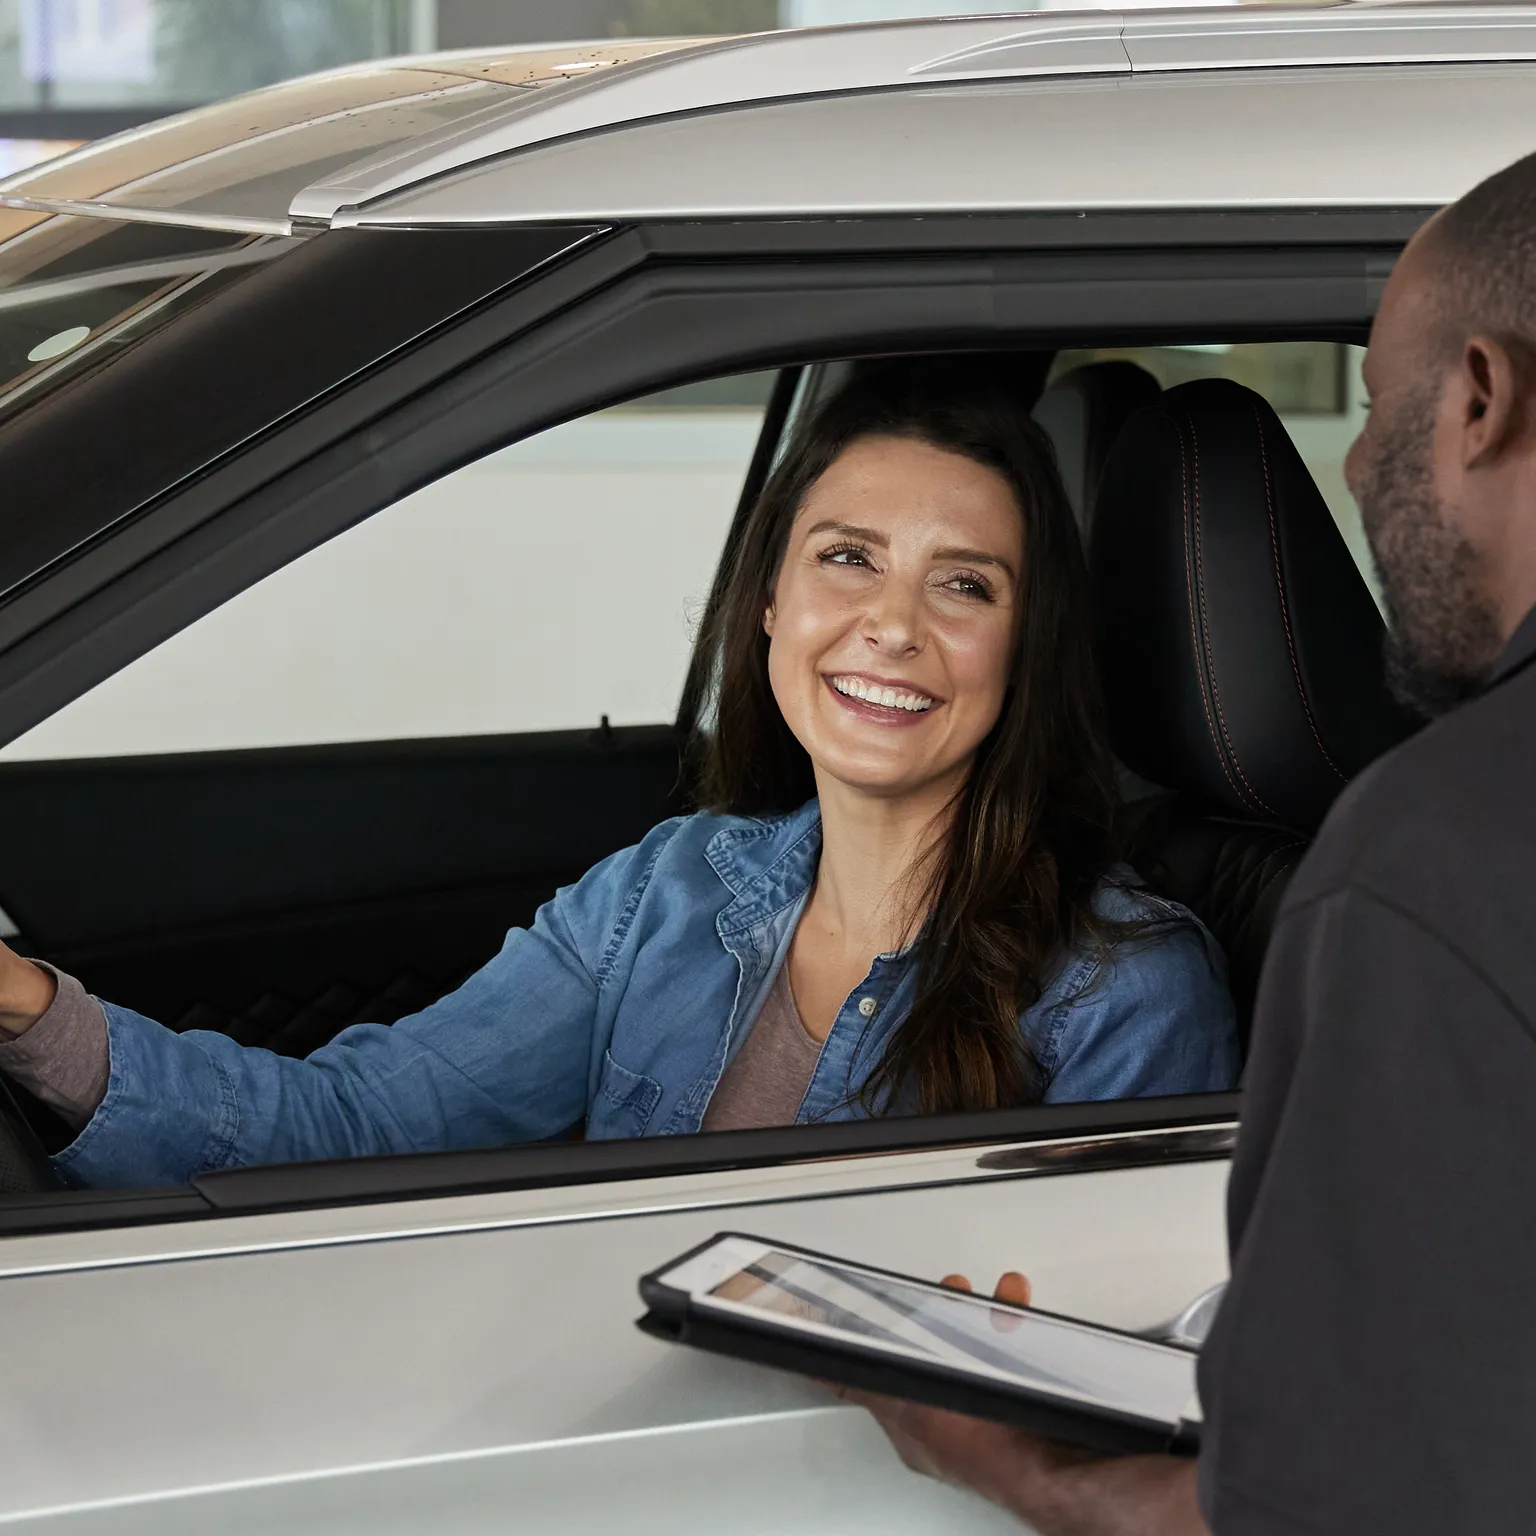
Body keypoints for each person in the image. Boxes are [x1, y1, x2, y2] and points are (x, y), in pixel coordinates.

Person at [0, 363, 1237, 1191]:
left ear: (1024, 650)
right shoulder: (671, 891)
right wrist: (25, 1008)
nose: (892, 625)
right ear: (772, 602)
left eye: (964, 584)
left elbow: (1082, 1371)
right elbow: (362, 1128)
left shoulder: (1128, 991)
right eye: (848, 559)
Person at [831, 150, 1536, 1535]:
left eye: (1378, 404)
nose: (1352, 456)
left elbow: (1362, 1510)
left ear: (1476, 397)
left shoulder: (1440, 857)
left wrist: (1020, 1468)